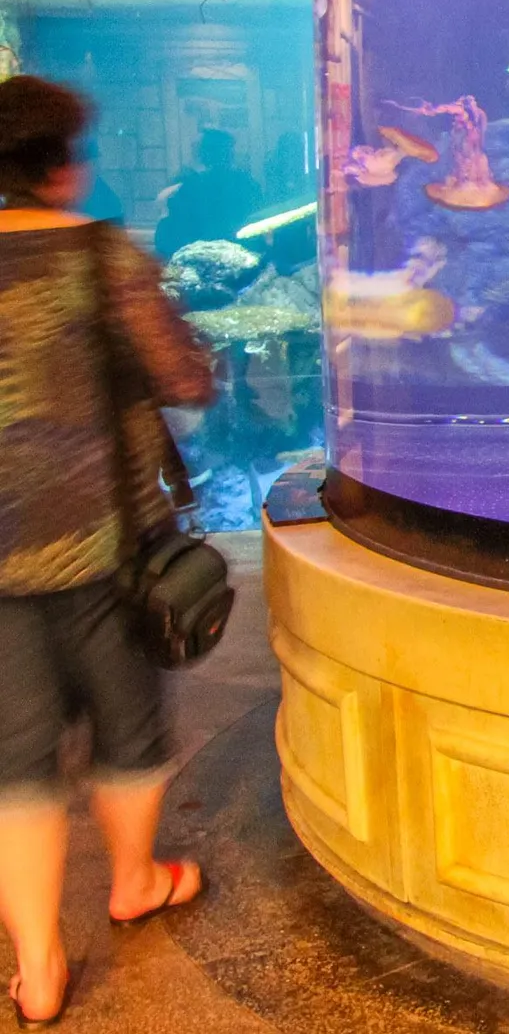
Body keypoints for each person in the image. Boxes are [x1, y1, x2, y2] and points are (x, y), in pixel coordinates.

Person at [0, 76, 214, 1027]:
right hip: (102, 547)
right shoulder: (102, 256)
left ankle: (38, 968)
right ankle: (133, 880)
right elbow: (185, 377)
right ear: (56, 167)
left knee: (16, 763)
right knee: (128, 732)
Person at [152, 128, 263, 260]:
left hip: (203, 260)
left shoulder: (189, 187)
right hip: (243, 256)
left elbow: (166, 239)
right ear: (230, 153)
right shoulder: (248, 184)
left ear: (204, 154)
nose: (194, 152)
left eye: (196, 149)